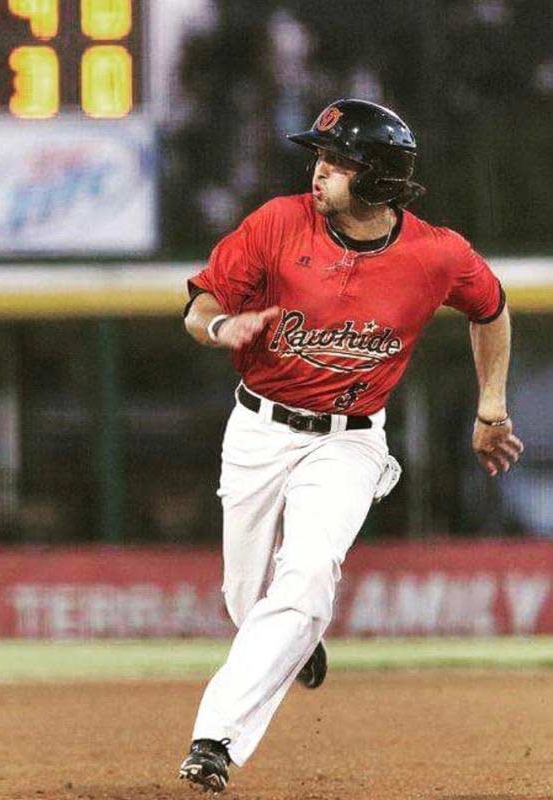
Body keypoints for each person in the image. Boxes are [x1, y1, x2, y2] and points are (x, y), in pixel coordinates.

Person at [178, 98, 524, 793]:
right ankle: (294, 639)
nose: (321, 171)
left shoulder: (436, 253)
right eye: (321, 158)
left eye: (339, 162)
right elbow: (201, 307)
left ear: (380, 178)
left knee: (306, 578)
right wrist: (223, 331)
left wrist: (491, 402)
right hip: (258, 428)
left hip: (349, 441)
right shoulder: (277, 223)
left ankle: (214, 741)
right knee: (247, 602)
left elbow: (491, 307)